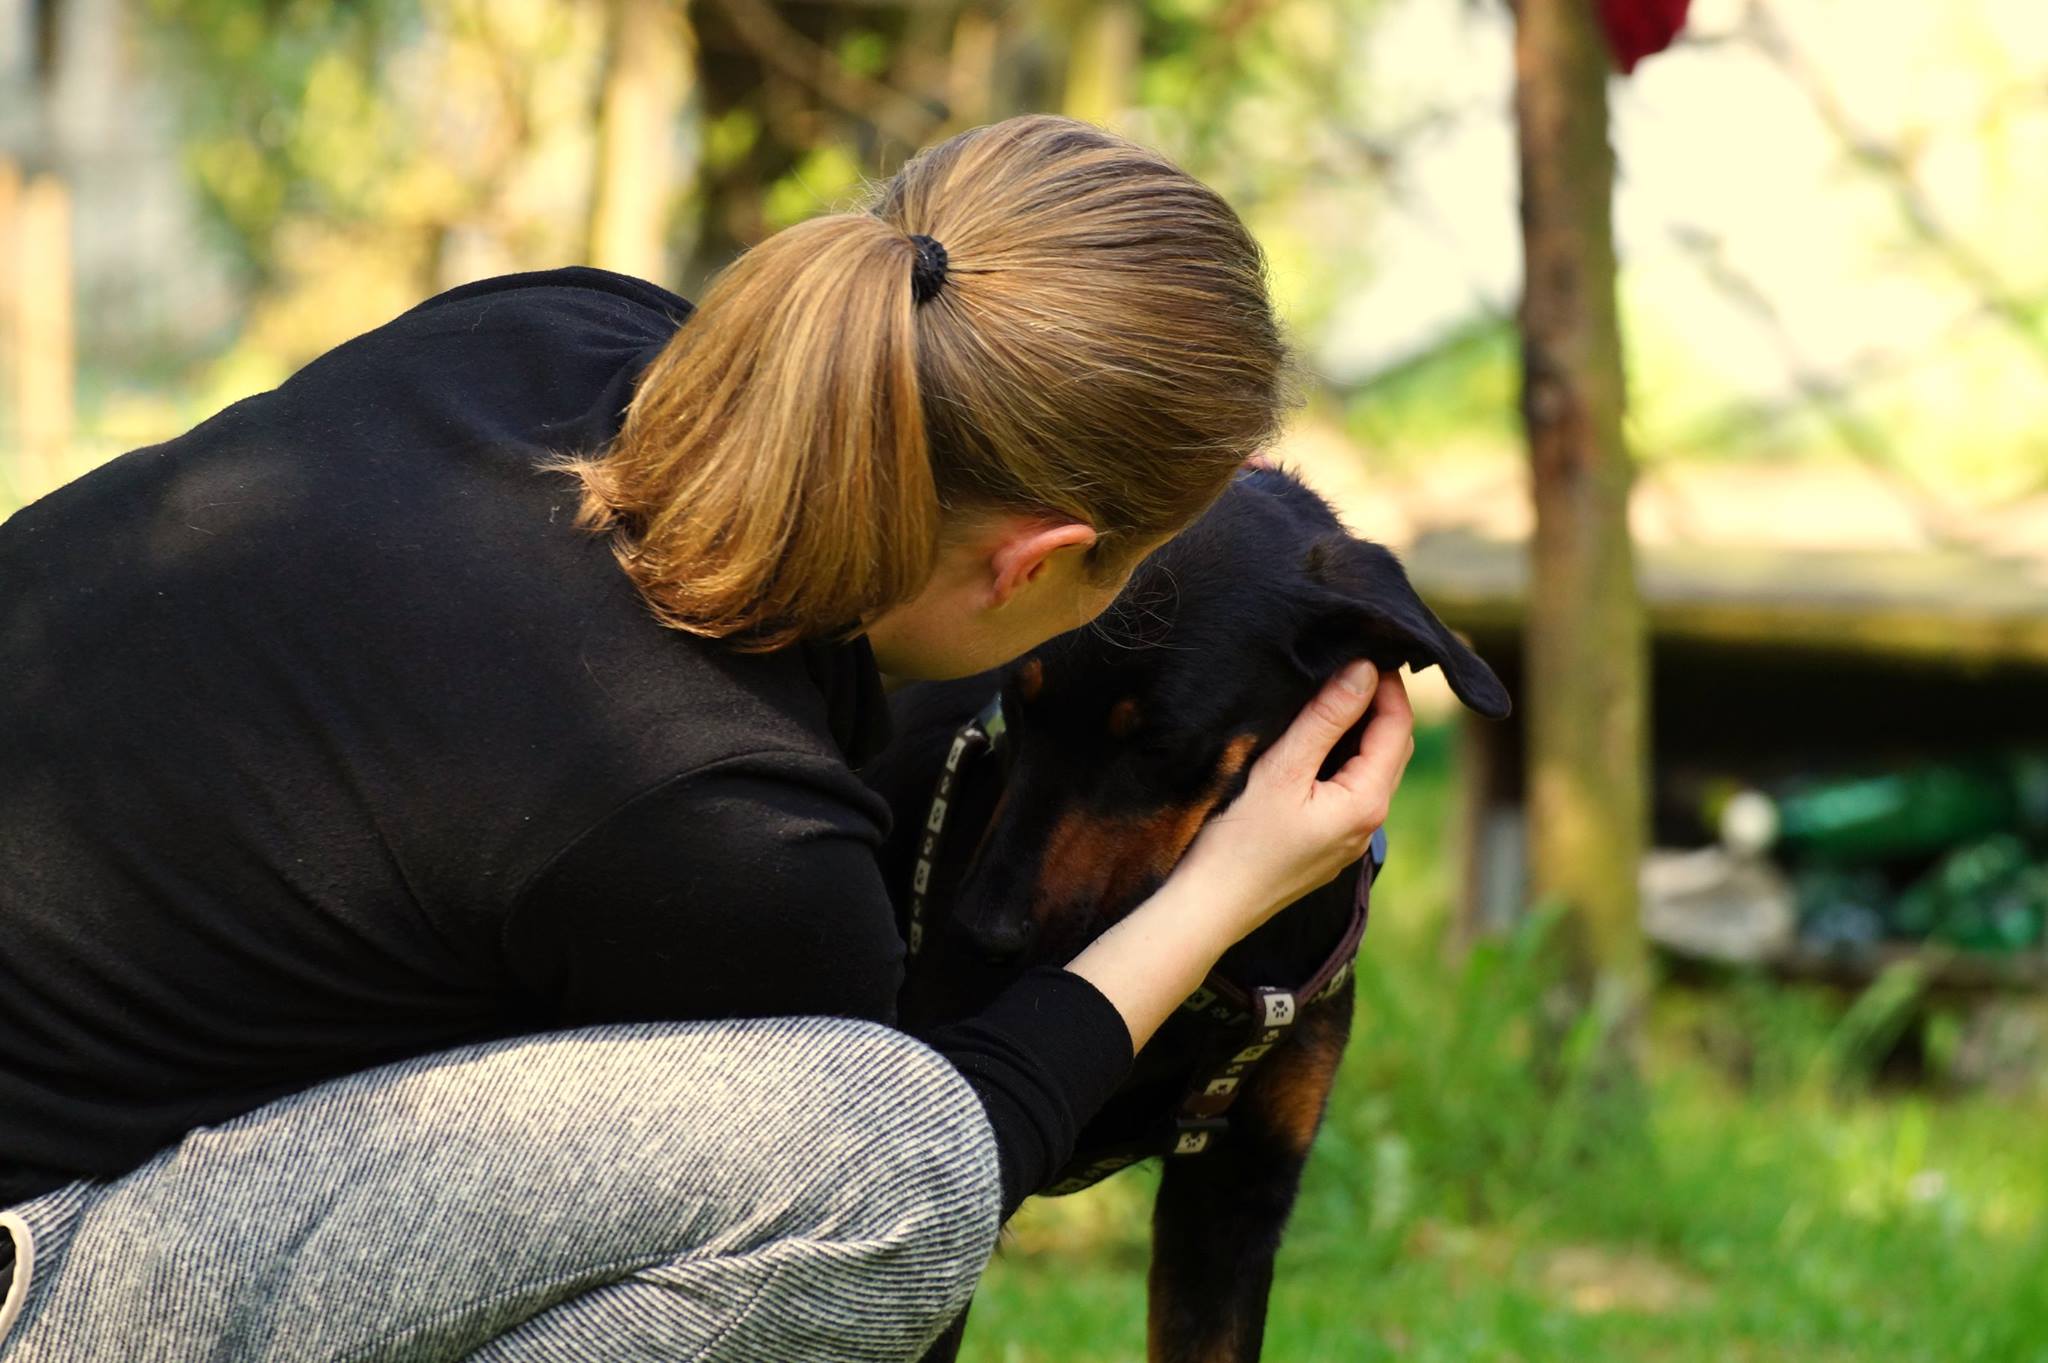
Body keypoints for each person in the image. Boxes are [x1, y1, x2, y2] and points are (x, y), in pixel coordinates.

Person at [0, 113, 1414, 1361]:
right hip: (30, 1279)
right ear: (1034, 564)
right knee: (882, 1182)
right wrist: (1232, 885)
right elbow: (957, 1143)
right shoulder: (720, 825)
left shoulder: (555, 326)